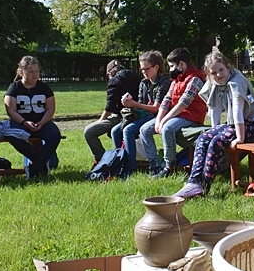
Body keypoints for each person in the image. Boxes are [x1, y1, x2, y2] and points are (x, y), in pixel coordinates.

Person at [173, 49, 254, 199]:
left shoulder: (237, 81)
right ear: (209, 74)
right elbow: (215, 108)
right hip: (237, 124)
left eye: (221, 70)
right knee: (204, 138)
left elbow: (237, 110)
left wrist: (240, 138)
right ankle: (194, 182)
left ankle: (204, 186)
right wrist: (213, 130)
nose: (218, 74)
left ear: (227, 67)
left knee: (217, 142)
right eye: (213, 73)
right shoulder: (215, 83)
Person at [140, 47, 207, 178]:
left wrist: (164, 120)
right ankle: (154, 165)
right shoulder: (176, 80)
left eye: (171, 66)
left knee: (167, 128)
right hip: (177, 115)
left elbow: (183, 103)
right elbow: (166, 100)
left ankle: (169, 166)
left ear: (181, 64)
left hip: (192, 116)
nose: (170, 70)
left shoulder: (195, 79)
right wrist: (158, 120)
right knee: (145, 130)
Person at [112, 50, 171, 178]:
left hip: (160, 116)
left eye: (146, 69)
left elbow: (156, 109)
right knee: (115, 131)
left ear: (156, 67)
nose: (144, 72)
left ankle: (130, 168)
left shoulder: (164, 83)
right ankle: (121, 163)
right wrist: (129, 102)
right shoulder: (144, 83)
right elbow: (141, 105)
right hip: (146, 115)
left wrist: (135, 104)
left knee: (128, 130)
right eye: (142, 69)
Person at [4, 56, 62, 178]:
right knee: (12, 135)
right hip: (21, 123)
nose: (34, 74)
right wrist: (24, 122)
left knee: (55, 135)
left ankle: (34, 168)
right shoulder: (14, 88)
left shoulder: (44, 87)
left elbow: (50, 108)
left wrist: (42, 122)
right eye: (30, 71)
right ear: (21, 72)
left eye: (36, 71)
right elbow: (11, 110)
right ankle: (41, 164)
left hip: (41, 122)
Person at [84, 59, 141, 165]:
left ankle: (102, 161)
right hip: (140, 114)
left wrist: (100, 121)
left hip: (125, 116)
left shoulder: (114, 81)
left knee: (89, 132)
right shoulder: (135, 76)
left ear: (109, 74)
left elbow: (109, 108)